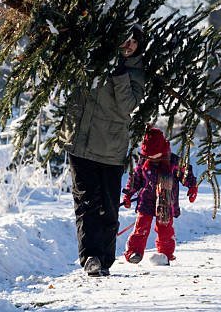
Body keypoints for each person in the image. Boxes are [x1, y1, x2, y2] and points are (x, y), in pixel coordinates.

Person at [61, 24, 146, 276]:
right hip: (80, 145)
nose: (129, 45)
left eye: (134, 41)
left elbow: (127, 105)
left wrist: (118, 73)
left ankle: (105, 259)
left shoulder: (135, 72)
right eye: (126, 39)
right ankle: (90, 258)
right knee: (86, 204)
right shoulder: (92, 59)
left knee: (108, 207)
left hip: (111, 150)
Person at [122, 126, 198, 265]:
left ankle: (165, 255)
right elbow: (134, 180)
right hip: (146, 201)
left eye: (153, 155)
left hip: (166, 203)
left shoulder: (174, 162)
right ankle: (134, 251)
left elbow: (186, 173)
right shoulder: (143, 162)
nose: (150, 158)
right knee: (141, 227)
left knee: (165, 230)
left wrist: (192, 186)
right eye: (148, 155)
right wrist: (128, 195)